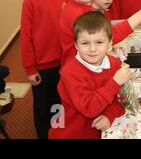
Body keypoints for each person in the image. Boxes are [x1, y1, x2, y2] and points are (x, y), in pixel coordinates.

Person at [49, 11, 132, 139]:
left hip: (98, 130)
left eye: (99, 42)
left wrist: (109, 115)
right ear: (76, 45)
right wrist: (115, 82)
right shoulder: (70, 73)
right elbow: (89, 108)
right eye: (85, 43)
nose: (92, 49)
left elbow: (121, 98)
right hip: (72, 133)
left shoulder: (114, 63)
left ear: (110, 44)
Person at [20, 0, 69, 139]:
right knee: (43, 108)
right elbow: (26, 36)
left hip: (66, 63)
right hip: (42, 68)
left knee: (62, 104)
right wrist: (30, 69)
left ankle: (60, 134)